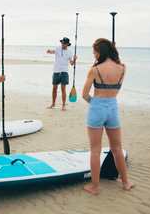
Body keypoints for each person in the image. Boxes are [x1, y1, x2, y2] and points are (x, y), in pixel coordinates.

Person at [82, 38, 135, 195]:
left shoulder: (95, 70)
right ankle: (125, 183)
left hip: (96, 107)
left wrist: (94, 102)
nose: (94, 56)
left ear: (100, 51)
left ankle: (95, 187)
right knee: (117, 149)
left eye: (95, 52)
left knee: (95, 150)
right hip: (113, 107)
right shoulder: (123, 68)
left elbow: (84, 94)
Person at [46, 37, 77, 111]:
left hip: (64, 72)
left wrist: (74, 59)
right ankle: (53, 103)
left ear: (67, 44)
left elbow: (72, 64)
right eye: (61, 42)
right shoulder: (57, 49)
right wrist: (49, 51)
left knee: (63, 89)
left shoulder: (69, 53)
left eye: (63, 43)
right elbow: (52, 51)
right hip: (56, 71)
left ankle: (63, 105)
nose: (62, 44)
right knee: (54, 88)